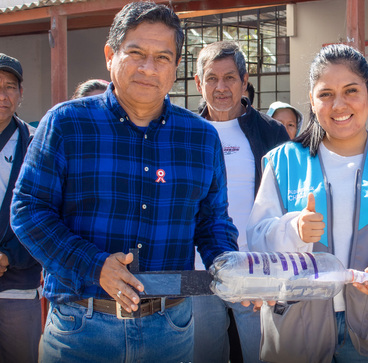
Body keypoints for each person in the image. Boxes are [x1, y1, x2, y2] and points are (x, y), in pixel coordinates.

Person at [10, 3, 238, 362]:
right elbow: (28, 210)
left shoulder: (201, 138)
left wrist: (235, 269)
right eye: (136, 53)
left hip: (171, 330)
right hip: (81, 327)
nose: (149, 68)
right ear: (110, 55)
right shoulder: (67, 124)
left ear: (176, 67)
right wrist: (95, 265)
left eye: (163, 57)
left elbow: (213, 223)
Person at [247, 43, 368, 363]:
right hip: (297, 328)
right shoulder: (283, 161)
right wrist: (293, 230)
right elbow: (257, 237)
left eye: (351, 90)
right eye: (325, 93)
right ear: (312, 100)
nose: (338, 104)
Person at [193, 40, 289, 363]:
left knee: (261, 354)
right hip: (197, 268)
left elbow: (287, 197)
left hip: (255, 268)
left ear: (244, 81)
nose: (220, 87)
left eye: (230, 78)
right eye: (211, 78)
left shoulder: (270, 132)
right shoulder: (184, 132)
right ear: (198, 83)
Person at [0, 53, 40, 363]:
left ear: (21, 93)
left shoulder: (35, 144)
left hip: (18, 286)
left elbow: (44, 212)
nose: (3, 95)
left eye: (10, 87)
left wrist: (8, 255)